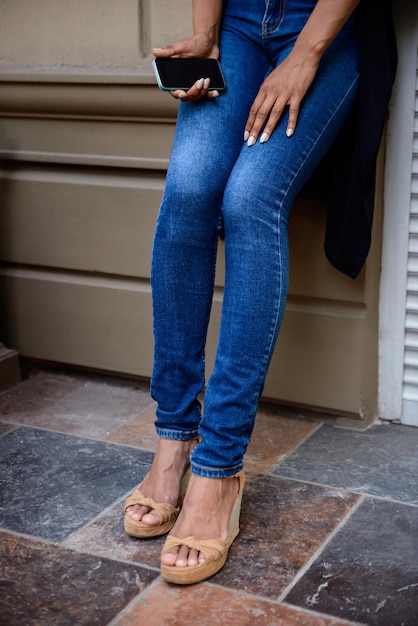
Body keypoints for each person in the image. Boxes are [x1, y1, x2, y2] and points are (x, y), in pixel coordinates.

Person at [124, 0, 395, 585]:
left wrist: (305, 55)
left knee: (250, 200)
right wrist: (204, 33)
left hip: (322, 26)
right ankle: (173, 440)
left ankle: (219, 467)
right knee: (189, 194)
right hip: (239, 23)